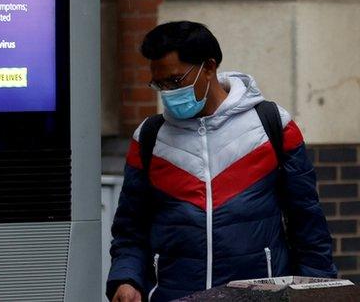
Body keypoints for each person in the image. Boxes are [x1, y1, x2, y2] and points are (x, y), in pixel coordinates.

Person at [108, 21, 335, 302]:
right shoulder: (150, 138)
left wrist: (320, 290)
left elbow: (308, 224)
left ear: (209, 67)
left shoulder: (273, 125)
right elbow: (130, 228)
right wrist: (127, 279)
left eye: (175, 81)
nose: (168, 93)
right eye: (160, 84)